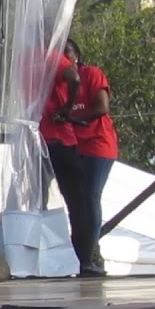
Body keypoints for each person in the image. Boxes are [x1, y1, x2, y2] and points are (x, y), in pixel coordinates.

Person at [39, 45, 96, 275]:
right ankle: (83, 260)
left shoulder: (22, 59)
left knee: (38, 201)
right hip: (59, 139)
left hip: (36, 140)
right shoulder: (51, 57)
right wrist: (67, 107)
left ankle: (41, 256)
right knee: (79, 203)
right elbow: (74, 78)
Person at [65, 37, 113, 276]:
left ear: (76, 56)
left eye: (67, 53)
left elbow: (102, 106)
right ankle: (83, 251)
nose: (64, 59)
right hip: (74, 146)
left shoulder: (91, 74)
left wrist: (72, 118)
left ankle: (90, 252)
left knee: (91, 195)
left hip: (97, 144)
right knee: (78, 201)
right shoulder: (60, 82)